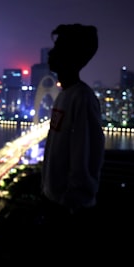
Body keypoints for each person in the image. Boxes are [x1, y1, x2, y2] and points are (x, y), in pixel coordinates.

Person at [41, 23, 105, 218]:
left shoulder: (82, 98)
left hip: (69, 209)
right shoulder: (64, 95)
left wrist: (73, 202)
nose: (51, 53)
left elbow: (85, 151)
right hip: (55, 202)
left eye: (57, 48)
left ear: (71, 56)